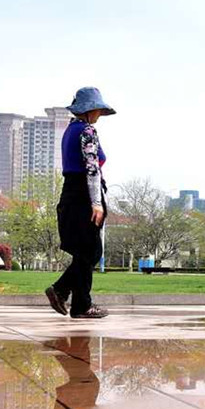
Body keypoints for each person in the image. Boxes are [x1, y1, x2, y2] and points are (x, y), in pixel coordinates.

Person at [45, 87, 115, 319]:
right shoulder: (87, 131)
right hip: (83, 194)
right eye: (97, 110)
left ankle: (73, 299)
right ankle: (72, 297)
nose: (98, 115)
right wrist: (96, 202)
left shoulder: (70, 130)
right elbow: (92, 168)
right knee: (91, 250)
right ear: (90, 110)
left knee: (86, 252)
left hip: (71, 193)